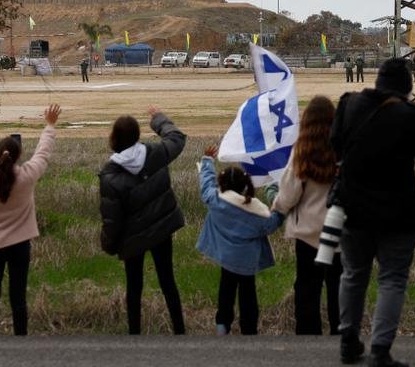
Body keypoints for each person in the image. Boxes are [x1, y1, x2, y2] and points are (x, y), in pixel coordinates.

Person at [331, 57, 415, 367]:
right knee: (391, 279)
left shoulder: (348, 104)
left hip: (352, 208)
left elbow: (335, 145)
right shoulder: (409, 114)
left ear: (377, 81)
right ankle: (380, 350)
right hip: (398, 212)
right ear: (406, 87)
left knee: (352, 274)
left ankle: (348, 341)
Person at [98, 106, 188, 335]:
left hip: (132, 237)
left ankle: (134, 333)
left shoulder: (111, 176)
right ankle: (179, 329)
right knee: (168, 281)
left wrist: (108, 244)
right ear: (137, 135)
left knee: (134, 286)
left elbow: (112, 219)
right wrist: (158, 120)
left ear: (114, 139)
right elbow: (177, 138)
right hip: (161, 229)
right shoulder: (154, 153)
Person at [0, 104, 60, 335]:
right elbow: (43, 153)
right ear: (19, 155)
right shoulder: (27, 176)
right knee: (18, 298)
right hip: (20, 244)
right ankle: (20, 341)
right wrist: (49, 126)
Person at [271, 95, 343, 335]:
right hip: (341, 233)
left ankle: (308, 340)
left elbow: (289, 193)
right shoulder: (344, 150)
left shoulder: (301, 150)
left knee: (307, 290)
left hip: (308, 234)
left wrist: (277, 207)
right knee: (339, 290)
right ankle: (341, 336)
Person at [197, 147, 286, 335]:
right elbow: (272, 224)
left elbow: (206, 185)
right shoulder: (256, 211)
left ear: (221, 184)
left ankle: (222, 327)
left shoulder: (215, 199)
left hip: (226, 259)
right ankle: (249, 331)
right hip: (247, 262)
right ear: (245, 185)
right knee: (248, 298)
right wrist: (280, 207)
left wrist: (207, 161)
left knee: (225, 293)